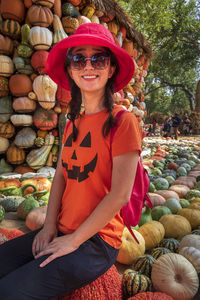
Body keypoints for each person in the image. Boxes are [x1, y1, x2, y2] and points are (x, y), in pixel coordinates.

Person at [0, 23, 142, 299]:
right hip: (62, 228)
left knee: (9, 291)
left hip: (97, 241)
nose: (88, 66)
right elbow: (62, 177)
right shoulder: (71, 123)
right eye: (78, 58)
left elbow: (120, 195)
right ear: (70, 69)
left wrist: (73, 241)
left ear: (111, 68)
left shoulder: (124, 122)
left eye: (98, 58)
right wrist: (49, 227)